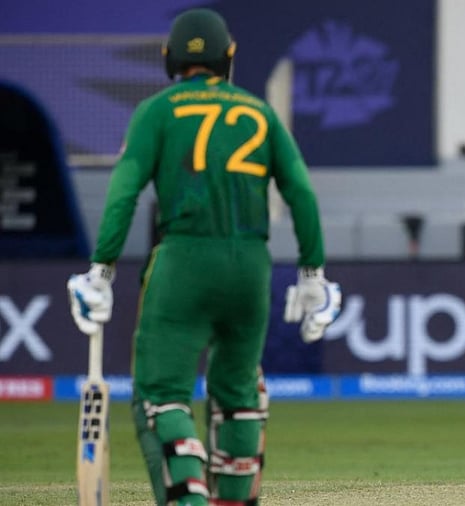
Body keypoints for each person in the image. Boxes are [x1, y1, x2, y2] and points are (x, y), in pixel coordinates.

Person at [65, 8, 341, 505]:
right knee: (237, 395)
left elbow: (124, 191)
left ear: (170, 59)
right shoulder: (258, 111)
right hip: (251, 268)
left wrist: (100, 270)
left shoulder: (157, 110)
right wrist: (312, 272)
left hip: (183, 263)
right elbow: (300, 190)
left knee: (160, 395)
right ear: (227, 57)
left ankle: (190, 500)